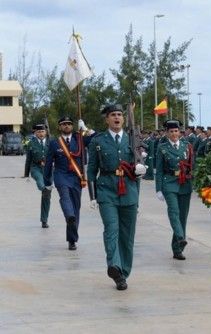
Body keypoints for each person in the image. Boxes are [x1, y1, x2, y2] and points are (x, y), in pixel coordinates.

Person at [87, 104, 147, 290]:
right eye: (113, 115)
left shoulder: (133, 140)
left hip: (129, 191)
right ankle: (114, 265)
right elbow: (91, 170)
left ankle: (123, 272)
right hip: (107, 190)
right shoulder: (98, 141)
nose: (117, 118)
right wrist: (93, 195)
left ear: (124, 118)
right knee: (111, 229)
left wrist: (141, 169)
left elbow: (142, 164)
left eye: (120, 115)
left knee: (127, 235)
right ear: (107, 119)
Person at [43, 116, 95, 250]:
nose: (66, 126)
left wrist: (86, 129)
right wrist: (47, 181)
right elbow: (48, 163)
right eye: (64, 124)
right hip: (61, 176)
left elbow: (96, 138)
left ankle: (72, 240)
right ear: (59, 127)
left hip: (77, 177)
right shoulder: (55, 143)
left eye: (69, 124)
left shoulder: (80, 139)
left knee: (76, 208)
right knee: (65, 198)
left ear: (72, 126)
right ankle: (69, 215)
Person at [156, 120, 194, 260]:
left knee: (183, 216)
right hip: (169, 183)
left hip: (185, 184)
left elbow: (192, 165)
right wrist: (158, 189)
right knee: (174, 211)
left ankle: (177, 249)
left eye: (176, 131)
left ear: (179, 132)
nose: (174, 134)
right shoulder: (162, 148)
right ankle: (180, 235)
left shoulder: (187, 146)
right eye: (171, 131)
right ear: (167, 133)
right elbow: (159, 170)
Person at [24, 124, 52, 228]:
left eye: (43, 131)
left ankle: (44, 220)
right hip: (36, 168)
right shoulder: (31, 144)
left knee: (46, 197)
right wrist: (26, 174)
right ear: (35, 133)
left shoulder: (51, 143)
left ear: (46, 132)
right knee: (40, 181)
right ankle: (43, 188)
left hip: (49, 171)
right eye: (39, 132)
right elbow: (28, 160)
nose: (41, 133)